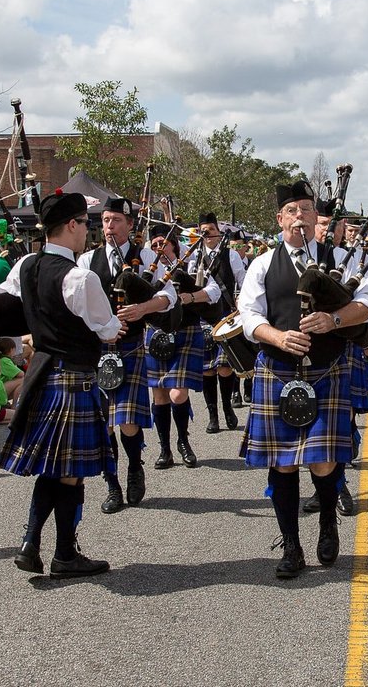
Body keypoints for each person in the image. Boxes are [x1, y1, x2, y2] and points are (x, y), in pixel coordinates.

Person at [236, 181, 368, 579]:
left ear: (317, 216)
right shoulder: (263, 264)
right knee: (282, 464)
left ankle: (328, 521)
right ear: (280, 219)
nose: (299, 216)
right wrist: (277, 336)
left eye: (306, 208)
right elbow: (248, 315)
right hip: (278, 369)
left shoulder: (341, 258)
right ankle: (292, 546)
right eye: (291, 210)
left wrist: (334, 319)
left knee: (323, 460)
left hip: (326, 368)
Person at [0, 190, 125, 578]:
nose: (87, 231)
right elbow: (108, 329)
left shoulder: (26, 265)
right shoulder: (80, 277)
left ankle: (32, 543)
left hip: (42, 375)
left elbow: (5, 298)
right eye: (85, 224)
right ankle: (63, 554)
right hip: (74, 379)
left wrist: (35, 329)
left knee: (55, 470)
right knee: (68, 472)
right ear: (71, 225)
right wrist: (114, 323)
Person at [78, 197, 177, 515]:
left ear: (130, 224)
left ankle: (135, 466)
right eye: (106, 220)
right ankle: (112, 485)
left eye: (116, 220)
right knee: (104, 423)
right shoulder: (87, 260)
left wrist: (143, 308)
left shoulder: (145, 255)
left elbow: (170, 295)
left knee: (128, 422)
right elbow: (78, 302)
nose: (109, 226)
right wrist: (100, 326)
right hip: (98, 350)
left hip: (131, 346)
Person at [147, 222, 220, 468]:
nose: (159, 248)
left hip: (186, 331)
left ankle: (183, 441)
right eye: (154, 244)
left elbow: (214, 290)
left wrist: (191, 297)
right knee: (159, 394)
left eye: (163, 243)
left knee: (177, 393)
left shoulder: (191, 264)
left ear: (174, 245)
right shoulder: (148, 268)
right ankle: (165, 449)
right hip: (157, 333)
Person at [190, 212, 247, 435]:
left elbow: (243, 281)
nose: (207, 235)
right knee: (207, 371)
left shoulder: (230, 255)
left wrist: (241, 302)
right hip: (204, 318)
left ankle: (227, 408)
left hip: (226, 316)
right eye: (203, 231)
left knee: (224, 367)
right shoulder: (194, 256)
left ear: (218, 232)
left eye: (211, 230)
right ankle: (213, 415)